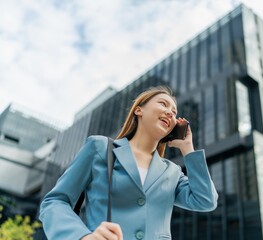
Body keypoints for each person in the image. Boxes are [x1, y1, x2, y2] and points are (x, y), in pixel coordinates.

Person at [39, 86, 218, 240]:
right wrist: (82, 236)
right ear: (138, 110)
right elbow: (55, 201)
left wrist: (188, 150)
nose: (170, 112)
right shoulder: (100, 148)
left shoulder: (172, 172)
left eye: (174, 112)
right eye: (163, 104)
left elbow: (206, 200)